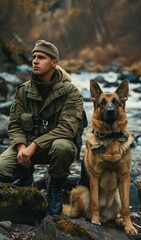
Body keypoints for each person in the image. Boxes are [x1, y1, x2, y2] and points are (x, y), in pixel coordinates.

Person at [0, 39, 84, 216]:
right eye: (34, 57)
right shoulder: (23, 91)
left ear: (54, 63)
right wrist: (22, 148)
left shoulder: (71, 92)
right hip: (28, 148)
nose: (35, 61)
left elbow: (67, 129)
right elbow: (14, 124)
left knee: (63, 147)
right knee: (1, 168)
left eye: (41, 57)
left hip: (56, 148)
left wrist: (33, 146)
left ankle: (54, 190)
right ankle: (25, 176)